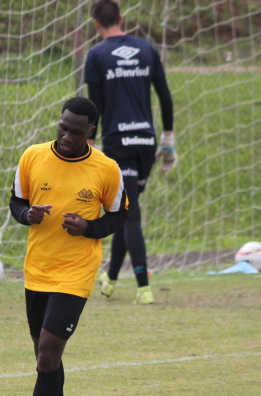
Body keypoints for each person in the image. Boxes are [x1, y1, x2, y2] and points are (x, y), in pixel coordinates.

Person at [2, 97, 128, 396]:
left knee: (47, 354)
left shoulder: (106, 169)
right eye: (64, 127)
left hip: (76, 273)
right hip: (37, 270)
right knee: (46, 360)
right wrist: (29, 215)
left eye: (77, 131)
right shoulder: (32, 157)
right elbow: (16, 202)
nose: (68, 136)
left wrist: (89, 228)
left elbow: (120, 216)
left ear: (91, 131)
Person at [84, 0, 177, 305]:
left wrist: (90, 142)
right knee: (126, 210)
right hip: (146, 143)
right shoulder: (147, 49)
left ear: (96, 24)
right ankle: (110, 279)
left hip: (117, 143)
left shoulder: (96, 55)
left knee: (130, 215)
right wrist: (168, 140)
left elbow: (94, 105)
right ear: (121, 19)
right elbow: (164, 96)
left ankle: (143, 288)